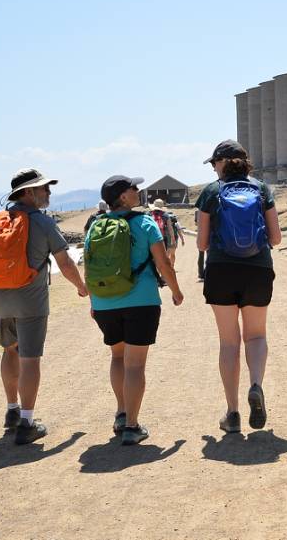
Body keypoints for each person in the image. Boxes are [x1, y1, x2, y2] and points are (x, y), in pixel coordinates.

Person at [0, 168, 88, 445]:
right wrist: (81, 287)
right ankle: (27, 421)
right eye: (44, 188)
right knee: (30, 357)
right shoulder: (42, 223)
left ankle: (11, 411)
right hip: (30, 302)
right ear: (28, 193)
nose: (48, 193)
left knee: (10, 351)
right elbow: (65, 263)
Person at [85, 175, 184, 445]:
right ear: (124, 197)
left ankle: (120, 412)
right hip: (141, 302)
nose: (139, 191)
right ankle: (131, 426)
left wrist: (93, 302)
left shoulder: (95, 226)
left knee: (118, 357)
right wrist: (176, 291)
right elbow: (163, 263)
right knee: (135, 364)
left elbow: (89, 268)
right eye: (133, 188)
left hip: (105, 303)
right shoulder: (145, 222)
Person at [196, 140, 281, 433]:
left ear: (222, 163)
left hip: (220, 270)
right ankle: (255, 384)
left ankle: (232, 413)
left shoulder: (210, 192)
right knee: (255, 336)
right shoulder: (262, 189)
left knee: (229, 342)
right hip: (257, 270)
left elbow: (202, 243)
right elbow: (277, 237)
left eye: (214, 163)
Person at [149, 198, 184, 268]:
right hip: (162, 238)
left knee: (153, 256)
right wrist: (173, 239)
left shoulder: (149, 214)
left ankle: (154, 272)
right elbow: (170, 229)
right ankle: (162, 273)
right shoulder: (165, 215)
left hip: (151, 238)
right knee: (163, 256)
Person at [195, 208, 206, 282]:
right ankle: (208, 272)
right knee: (209, 254)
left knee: (201, 254)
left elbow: (196, 223)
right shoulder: (210, 208)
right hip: (209, 234)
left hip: (200, 234)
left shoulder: (197, 212)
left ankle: (200, 273)